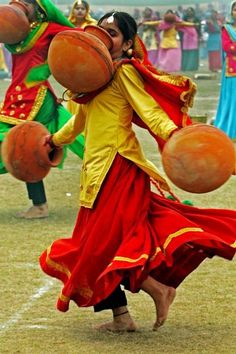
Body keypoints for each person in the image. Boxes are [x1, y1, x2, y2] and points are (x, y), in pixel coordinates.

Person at [39, 11, 236, 332]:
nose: (106, 37)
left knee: (98, 245)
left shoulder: (123, 73)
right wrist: (54, 140)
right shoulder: (91, 78)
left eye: (114, 33)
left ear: (128, 43)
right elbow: (80, 121)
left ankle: (158, 288)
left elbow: (150, 111)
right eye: (102, 31)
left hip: (120, 168)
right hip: (94, 173)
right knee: (94, 243)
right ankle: (121, 318)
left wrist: (176, 135)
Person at [0, 0, 84, 219]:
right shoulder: (13, 28)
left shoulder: (49, 29)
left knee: (26, 144)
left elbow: (79, 40)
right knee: (21, 146)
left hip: (36, 96)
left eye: (27, 2)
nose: (21, 4)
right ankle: (39, 205)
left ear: (39, 7)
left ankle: (40, 206)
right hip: (16, 96)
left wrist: (47, 69)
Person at [67, 0, 97, 116]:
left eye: (82, 9)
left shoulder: (92, 25)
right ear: (73, 10)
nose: (79, 11)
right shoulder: (67, 24)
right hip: (70, 63)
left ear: (87, 11)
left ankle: (84, 121)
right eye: (77, 8)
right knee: (71, 91)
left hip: (87, 63)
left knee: (84, 92)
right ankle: (72, 119)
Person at [214, 1, 236, 140]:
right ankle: (230, 128)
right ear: (231, 12)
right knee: (232, 99)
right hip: (232, 69)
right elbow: (228, 48)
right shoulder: (226, 29)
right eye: (235, 10)